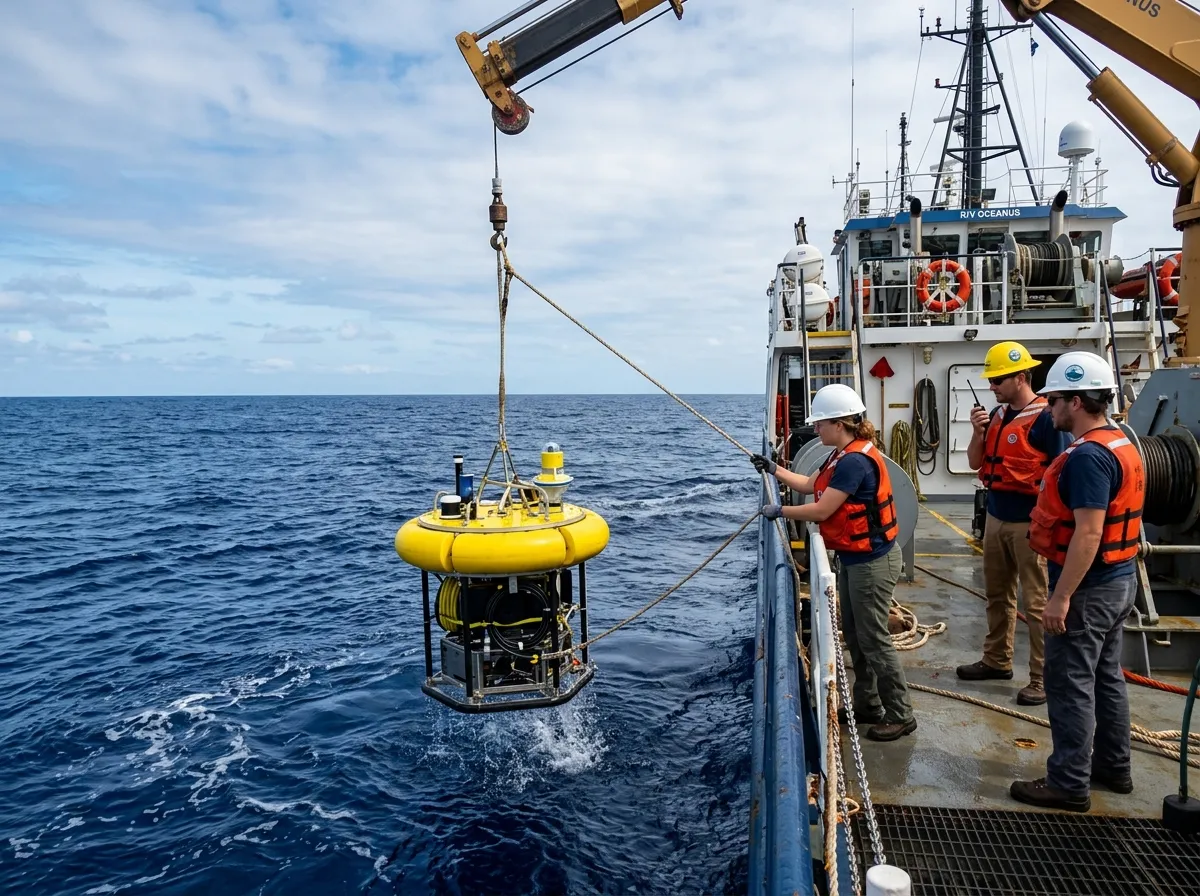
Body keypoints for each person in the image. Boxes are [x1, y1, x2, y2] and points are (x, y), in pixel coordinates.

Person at [1010, 351, 1145, 813]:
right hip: (1120, 579)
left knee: (1069, 683)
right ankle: (1113, 767)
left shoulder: (1087, 457)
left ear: (1077, 401)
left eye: (1054, 402)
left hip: (1088, 588)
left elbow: (1088, 532)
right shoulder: (1120, 443)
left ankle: (1068, 782)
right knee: (1106, 678)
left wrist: (1060, 597)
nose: (1048, 410)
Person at [752, 383, 916, 742]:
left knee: (873, 639)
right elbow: (811, 485)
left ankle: (901, 714)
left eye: (820, 424)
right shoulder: (841, 454)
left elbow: (822, 508)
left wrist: (779, 510)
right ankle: (868, 705)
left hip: (872, 562)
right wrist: (773, 469)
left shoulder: (854, 462)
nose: (815, 430)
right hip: (855, 559)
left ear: (839, 424)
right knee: (856, 636)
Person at [957, 341, 1071, 706]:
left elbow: (1061, 472)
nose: (992, 386)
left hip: (1030, 523)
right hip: (996, 516)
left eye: (998, 380)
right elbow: (977, 463)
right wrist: (977, 432)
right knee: (997, 594)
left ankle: (1041, 678)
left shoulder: (1046, 420)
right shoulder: (997, 416)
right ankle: (996, 660)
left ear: (1021, 377)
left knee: (1036, 604)